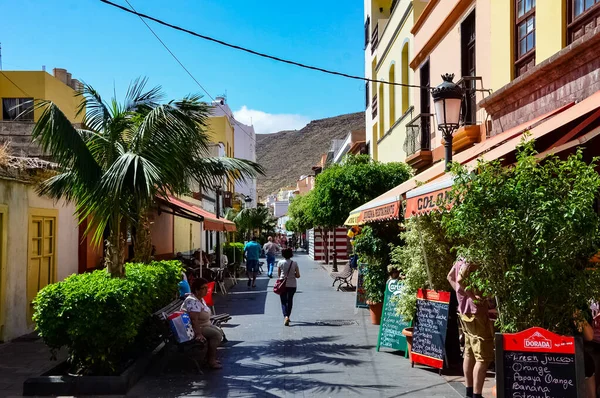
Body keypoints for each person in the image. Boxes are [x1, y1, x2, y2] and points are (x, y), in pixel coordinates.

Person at [447, 258, 493, 398]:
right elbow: (460, 279)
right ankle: (477, 395)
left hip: (464, 312)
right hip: (476, 313)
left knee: (469, 352)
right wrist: (473, 298)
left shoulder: (461, 257)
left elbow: (450, 277)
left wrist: (460, 296)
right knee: (483, 357)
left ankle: (469, 392)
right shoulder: (472, 259)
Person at [181, 278, 224, 369]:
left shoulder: (199, 299)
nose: (206, 290)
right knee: (216, 335)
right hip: (196, 328)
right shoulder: (192, 301)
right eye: (203, 288)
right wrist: (199, 334)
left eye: (206, 287)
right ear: (196, 290)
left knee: (219, 331)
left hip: (204, 324)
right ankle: (211, 360)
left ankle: (208, 358)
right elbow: (194, 320)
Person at [277, 248, 300, 326]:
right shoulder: (294, 263)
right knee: (290, 300)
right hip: (292, 284)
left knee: (283, 301)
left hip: (282, 284)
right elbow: (298, 275)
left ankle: (285, 316)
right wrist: (293, 274)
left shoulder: (280, 263)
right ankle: (288, 316)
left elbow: (279, 275)